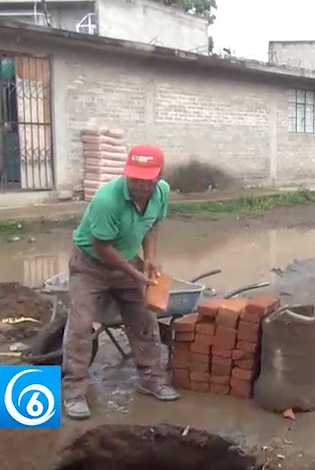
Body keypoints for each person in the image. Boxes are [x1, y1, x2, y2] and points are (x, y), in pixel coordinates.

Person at [62, 144, 179, 420]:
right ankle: (74, 390)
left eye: (146, 180)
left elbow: (152, 225)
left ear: (158, 175)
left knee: (144, 319)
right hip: (90, 265)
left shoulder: (161, 192)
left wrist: (149, 258)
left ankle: (150, 378)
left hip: (127, 261)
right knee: (81, 325)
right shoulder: (107, 200)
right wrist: (134, 274)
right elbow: (102, 246)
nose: (139, 185)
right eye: (134, 178)